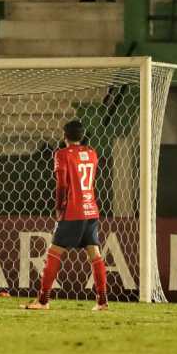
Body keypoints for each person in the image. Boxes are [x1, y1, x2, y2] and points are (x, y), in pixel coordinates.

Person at [25, 120, 108, 311]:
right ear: (82, 135)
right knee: (94, 254)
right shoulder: (92, 153)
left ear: (64, 136)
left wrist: (58, 207)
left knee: (54, 253)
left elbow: (62, 184)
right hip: (91, 210)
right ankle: (102, 301)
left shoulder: (62, 154)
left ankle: (43, 300)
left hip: (73, 210)